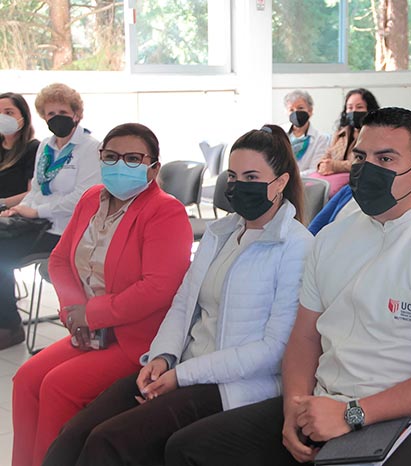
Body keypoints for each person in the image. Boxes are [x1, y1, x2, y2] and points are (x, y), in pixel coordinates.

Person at [162, 107, 411, 466]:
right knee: (188, 448)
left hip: (406, 421)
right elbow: (305, 338)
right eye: (361, 157)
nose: (368, 169)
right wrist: (293, 408)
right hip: (321, 403)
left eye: (386, 158)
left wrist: (351, 414)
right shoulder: (332, 238)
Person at [41, 124, 313, 466]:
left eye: (252, 177)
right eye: (233, 176)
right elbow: (184, 304)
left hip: (233, 385)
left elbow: (274, 351)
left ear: (281, 183)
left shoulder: (296, 246)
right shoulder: (221, 233)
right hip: (183, 366)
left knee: (109, 442)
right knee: (76, 433)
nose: (239, 186)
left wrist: (181, 376)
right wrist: (161, 358)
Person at [11, 123, 193, 466]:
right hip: (90, 330)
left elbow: (159, 287)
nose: (120, 164)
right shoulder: (90, 198)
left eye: (133, 158)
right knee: (25, 380)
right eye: (111, 157)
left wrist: (91, 314)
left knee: (57, 386)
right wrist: (71, 310)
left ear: (153, 167)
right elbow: (60, 260)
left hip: (136, 339)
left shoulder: (165, 211)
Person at [0, 83, 101, 350]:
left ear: (77, 114)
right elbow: (36, 188)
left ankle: (9, 327)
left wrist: (37, 210)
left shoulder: (90, 148)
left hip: (65, 231)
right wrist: (18, 210)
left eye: (62, 111)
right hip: (36, 224)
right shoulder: (46, 146)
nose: (56, 117)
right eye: (49, 112)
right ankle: (7, 321)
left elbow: (84, 196)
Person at [310, 88, 380, 197]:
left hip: (358, 185)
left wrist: (335, 166)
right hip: (334, 181)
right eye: (350, 107)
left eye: (359, 107)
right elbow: (328, 154)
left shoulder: (375, 134)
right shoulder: (340, 133)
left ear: (369, 110)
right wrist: (322, 165)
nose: (353, 111)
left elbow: (365, 163)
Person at [0, 92, 39, 212]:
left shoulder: (33, 148)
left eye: (9, 113)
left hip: (13, 216)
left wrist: (3, 203)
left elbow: (33, 192)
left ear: (23, 116)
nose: (2, 117)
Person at [284, 90, 331, 175]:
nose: (296, 112)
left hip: (306, 184)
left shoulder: (321, 139)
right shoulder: (279, 134)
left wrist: (293, 178)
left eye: (300, 108)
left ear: (310, 110)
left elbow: (315, 169)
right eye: (291, 109)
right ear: (287, 113)